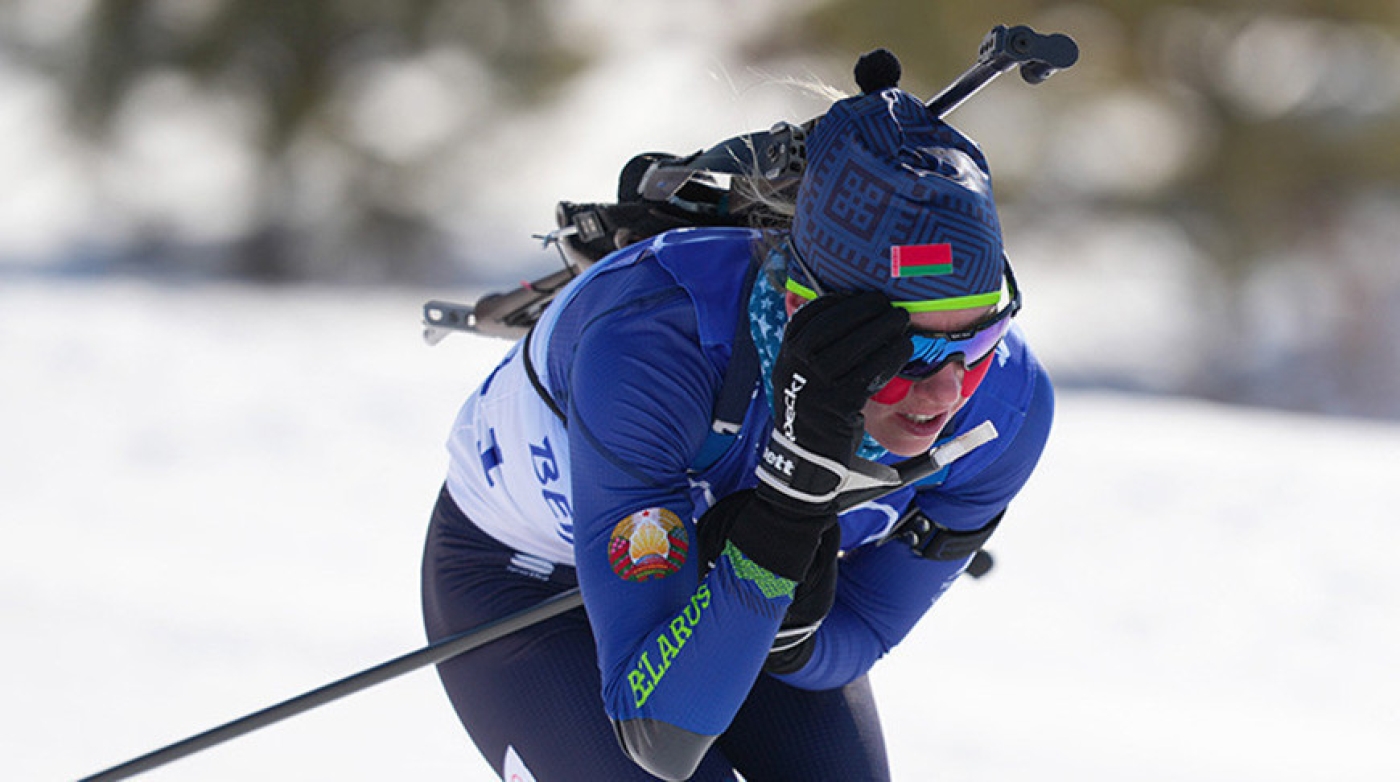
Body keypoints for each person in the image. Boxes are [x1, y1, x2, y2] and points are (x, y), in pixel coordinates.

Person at [421, 52, 1054, 782]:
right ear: (799, 310)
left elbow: (864, 630)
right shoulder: (655, 346)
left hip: (722, 583)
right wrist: (785, 516)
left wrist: (794, 636)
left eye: (978, 341)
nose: (947, 393)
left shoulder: (1007, 408)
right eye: (907, 352)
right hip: (529, 583)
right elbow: (658, 733)